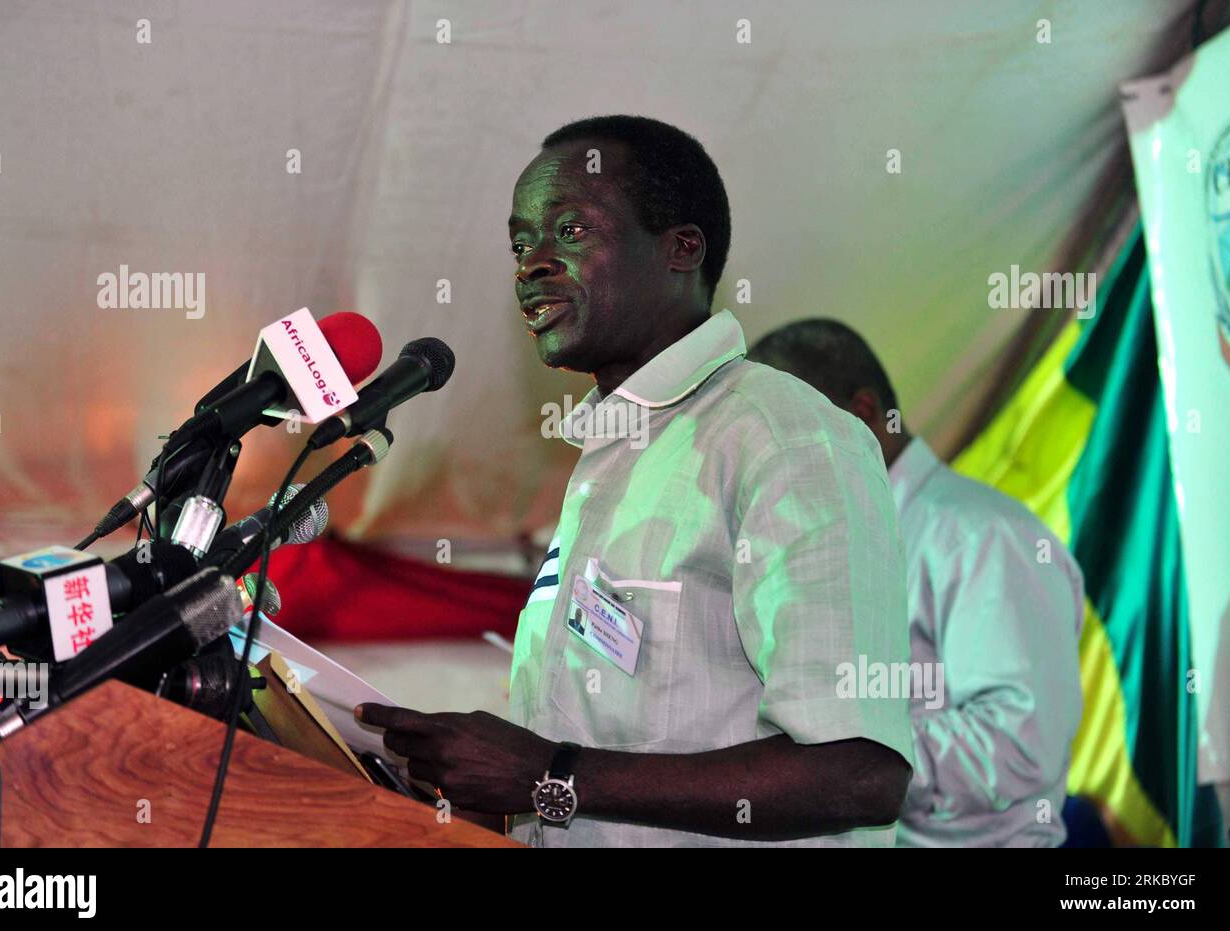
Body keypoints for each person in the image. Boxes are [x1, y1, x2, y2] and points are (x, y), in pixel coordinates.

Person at [354, 116, 914, 847]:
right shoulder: (609, 459)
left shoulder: (783, 435)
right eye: (521, 243)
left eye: (571, 232)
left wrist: (550, 773)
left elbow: (859, 772)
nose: (532, 265)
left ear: (682, 249)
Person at [748, 319, 1085, 847]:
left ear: (862, 415)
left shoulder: (982, 537)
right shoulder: (830, 545)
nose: (775, 467)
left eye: (793, 438)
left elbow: (1020, 744)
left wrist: (841, 763)